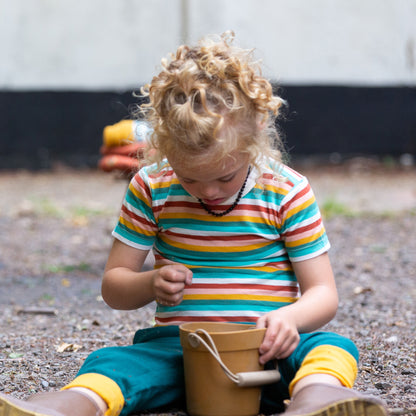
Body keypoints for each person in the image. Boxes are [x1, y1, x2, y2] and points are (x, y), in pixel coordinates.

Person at [0, 32, 387, 416]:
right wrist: (150, 283)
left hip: (269, 351)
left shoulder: (286, 191)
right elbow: (114, 287)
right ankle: (60, 409)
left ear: (255, 135)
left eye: (225, 177)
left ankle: (315, 401)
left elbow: (323, 292)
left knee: (332, 348)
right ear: (164, 146)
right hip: (181, 351)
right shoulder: (153, 186)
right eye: (189, 178)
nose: (208, 191)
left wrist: (290, 318)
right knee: (113, 362)